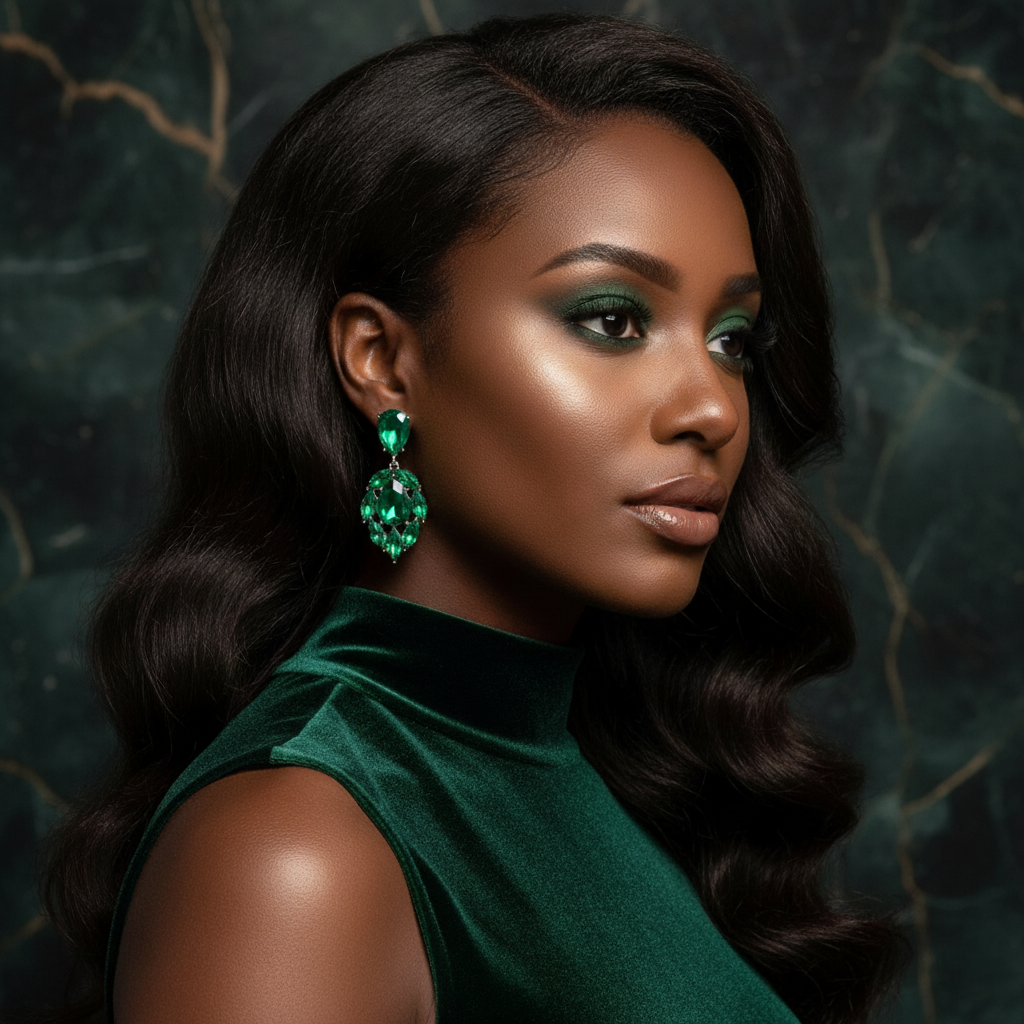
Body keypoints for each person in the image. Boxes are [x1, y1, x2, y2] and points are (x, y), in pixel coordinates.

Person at [42, 12, 906, 1024]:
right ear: (382, 360)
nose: (713, 408)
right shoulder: (294, 850)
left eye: (730, 339)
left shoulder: (610, 769)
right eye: (612, 319)